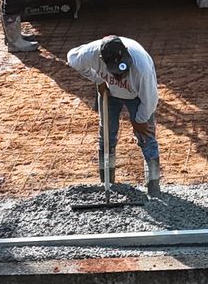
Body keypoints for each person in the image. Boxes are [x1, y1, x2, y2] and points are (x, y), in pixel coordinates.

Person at [65, 35, 162, 196]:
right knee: (106, 137)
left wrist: (141, 120)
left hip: (137, 96)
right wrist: (98, 80)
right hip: (109, 93)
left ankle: (154, 188)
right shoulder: (88, 54)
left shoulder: (142, 68)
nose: (120, 74)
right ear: (102, 60)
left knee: (146, 137)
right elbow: (72, 59)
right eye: (116, 71)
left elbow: (150, 99)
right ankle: (108, 185)